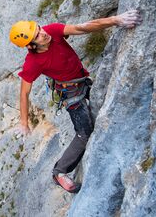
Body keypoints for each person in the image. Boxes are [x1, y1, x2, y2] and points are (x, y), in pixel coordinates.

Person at [9, 10, 141, 193]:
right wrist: (24, 123)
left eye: (39, 29)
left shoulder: (52, 31)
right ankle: (60, 172)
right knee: (84, 132)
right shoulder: (33, 63)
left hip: (83, 80)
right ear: (30, 46)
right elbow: (24, 93)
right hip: (71, 94)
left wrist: (116, 20)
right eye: (37, 35)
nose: (43, 33)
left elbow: (82, 28)